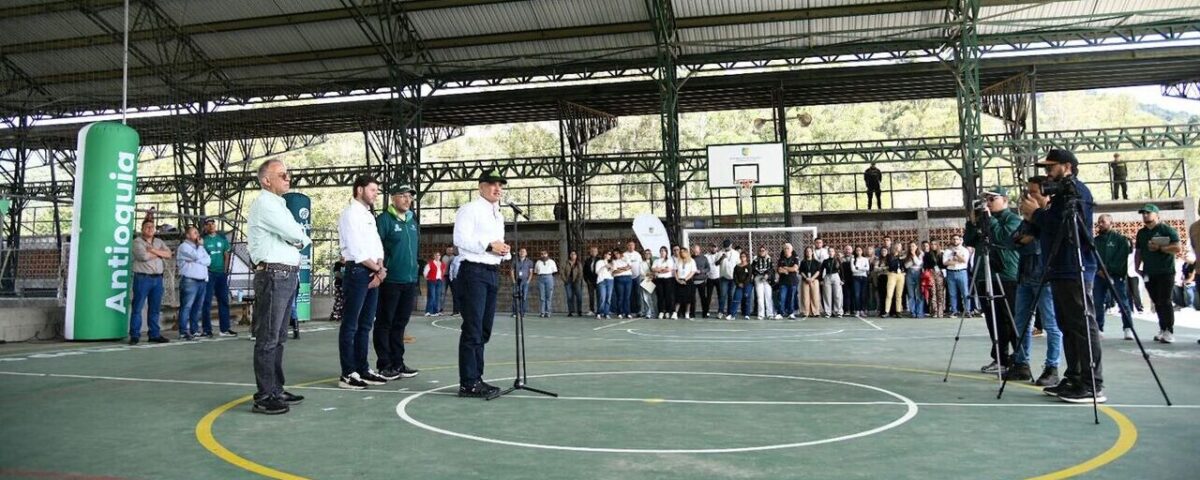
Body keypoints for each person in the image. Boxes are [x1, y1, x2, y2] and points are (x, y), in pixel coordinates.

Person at [1021, 149, 1104, 403]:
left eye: (1051, 166)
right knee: (1068, 325)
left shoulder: (1077, 192)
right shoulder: (1060, 196)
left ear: (1067, 166)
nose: (1047, 171)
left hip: (1074, 266)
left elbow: (1067, 227)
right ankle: (1074, 376)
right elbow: (1050, 227)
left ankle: (1092, 383)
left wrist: (1036, 213)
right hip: (1059, 268)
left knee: (1081, 324)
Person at [247, 159, 311, 414]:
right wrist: (296, 238)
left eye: (288, 174)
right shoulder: (265, 203)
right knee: (269, 337)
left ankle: (275, 388)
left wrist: (295, 237)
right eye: (282, 174)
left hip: (285, 275)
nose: (288, 178)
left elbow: (295, 234)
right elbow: (297, 235)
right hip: (274, 274)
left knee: (279, 337)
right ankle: (264, 395)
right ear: (266, 180)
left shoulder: (279, 204)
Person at [452, 169, 512, 398]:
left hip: (492, 272)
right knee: (473, 328)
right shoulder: (469, 210)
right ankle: (468, 382)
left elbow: (498, 244)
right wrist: (489, 246)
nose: (498, 189)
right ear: (481, 186)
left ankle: (477, 377)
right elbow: (460, 239)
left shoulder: (499, 214)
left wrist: (503, 251)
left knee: (484, 329)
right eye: (492, 184)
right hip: (474, 272)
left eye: (501, 185)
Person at [1009, 176, 1063, 386]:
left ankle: (1052, 367)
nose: (1028, 197)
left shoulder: (1050, 218)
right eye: (1027, 193)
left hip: (1046, 279)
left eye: (1034, 193)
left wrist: (1028, 237)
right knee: (1021, 323)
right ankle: (1021, 363)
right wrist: (1026, 237)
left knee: (1051, 325)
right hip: (1025, 277)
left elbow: (1036, 241)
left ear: (1047, 195)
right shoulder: (1026, 221)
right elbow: (1013, 241)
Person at [336, 175, 389, 390]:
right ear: (359, 190)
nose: (376, 193)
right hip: (358, 271)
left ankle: (362, 368)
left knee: (366, 324)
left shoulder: (368, 215)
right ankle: (348, 373)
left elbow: (376, 246)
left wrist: (380, 268)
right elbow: (357, 250)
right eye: (372, 189)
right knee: (351, 324)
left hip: (372, 271)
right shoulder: (350, 214)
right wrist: (378, 269)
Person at [965, 186, 1021, 375]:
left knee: (1010, 318)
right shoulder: (984, 218)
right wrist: (973, 223)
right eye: (986, 200)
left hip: (1006, 274)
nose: (987, 203)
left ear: (1004, 200)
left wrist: (990, 220)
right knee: (993, 319)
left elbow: (1004, 238)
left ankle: (1020, 360)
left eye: (992, 199)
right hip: (984, 273)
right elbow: (970, 241)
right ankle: (1000, 358)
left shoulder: (1012, 219)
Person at [375, 185, 421, 381]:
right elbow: (375, 247)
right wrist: (380, 270)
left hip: (409, 280)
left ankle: (398, 362)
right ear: (393, 198)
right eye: (403, 196)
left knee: (401, 323)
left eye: (409, 196)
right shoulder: (384, 220)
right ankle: (384, 364)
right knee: (385, 322)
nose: (407, 199)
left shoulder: (412, 221)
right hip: (390, 279)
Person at [1134, 203, 1182, 344]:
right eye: (1143, 213)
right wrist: (1137, 267)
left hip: (1166, 271)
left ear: (1156, 214)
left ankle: (1169, 330)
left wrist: (1160, 248)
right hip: (1149, 272)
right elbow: (1139, 251)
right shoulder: (1141, 233)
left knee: (1165, 300)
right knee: (1156, 301)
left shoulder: (1167, 229)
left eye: (1148, 212)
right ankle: (1162, 328)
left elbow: (1177, 248)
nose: (1145, 215)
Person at [130, 219, 172, 345]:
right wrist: (160, 254)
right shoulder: (137, 242)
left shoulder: (159, 241)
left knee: (155, 308)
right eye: (147, 227)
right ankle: (135, 335)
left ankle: (154, 334)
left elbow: (169, 254)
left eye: (152, 227)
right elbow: (143, 257)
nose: (150, 229)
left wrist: (153, 251)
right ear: (142, 229)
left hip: (157, 278)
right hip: (143, 278)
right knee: (137, 308)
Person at [1093, 214, 1135, 340]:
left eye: (1103, 221)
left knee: (1123, 302)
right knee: (1097, 302)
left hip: (1116, 276)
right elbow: (1091, 258)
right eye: (1099, 221)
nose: (1100, 224)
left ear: (1111, 223)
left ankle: (1128, 328)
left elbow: (1121, 258)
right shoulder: (1095, 241)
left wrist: (1108, 269)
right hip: (1099, 277)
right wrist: (1098, 270)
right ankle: (1099, 328)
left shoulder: (1120, 239)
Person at [202, 218, 236, 337]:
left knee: (224, 300)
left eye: (213, 224)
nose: (211, 226)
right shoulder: (203, 241)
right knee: (206, 301)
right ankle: (207, 330)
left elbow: (226, 255)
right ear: (205, 227)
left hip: (221, 273)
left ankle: (224, 329)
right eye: (208, 224)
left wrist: (225, 271)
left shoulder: (222, 239)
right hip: (209, 273)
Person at [176, 225, 210, 341]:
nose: (197, 235)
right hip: (190, 280)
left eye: (197, 232)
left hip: (202, 280)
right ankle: (183, 331)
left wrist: (198, 259)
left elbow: (208, 260)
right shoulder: (184, 247)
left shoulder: (199, 247)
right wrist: (200, 251)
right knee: (186, 306)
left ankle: (194, 330)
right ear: (187, 235)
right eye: (194, 232)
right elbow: (196, 256)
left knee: (197, 307)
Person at [942, 235, 969, 316]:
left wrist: (956, 255)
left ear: (960, 241)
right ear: (951, 240)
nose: (955, 241)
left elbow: (964, 261)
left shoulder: (965, 250)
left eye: (957, 239)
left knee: (965, 292)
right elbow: (945, 263)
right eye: (953, 239)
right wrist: (957, 261)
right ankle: (954, 310)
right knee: (952, 293)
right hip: (950, 273)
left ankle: (967, 310)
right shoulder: (947, 251)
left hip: (962, 272)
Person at [751, 246, 777, 319]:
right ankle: (761, 314)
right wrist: (758, 274)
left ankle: (770, 313)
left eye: (763, 250)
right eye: (760, 250)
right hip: (758, 278)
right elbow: (753, 269)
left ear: (766, 251)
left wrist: (767, 275)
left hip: (767, 279)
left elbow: (771, 269)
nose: (762, 252)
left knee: (768, 296)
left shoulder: (769, 259)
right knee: (760, 297)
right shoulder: (755, 259)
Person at [776, 244, 800, 318]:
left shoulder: (795, 259)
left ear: (791, 250)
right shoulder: (781, 259)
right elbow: (779, 270)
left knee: (792, 298)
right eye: (785, 248)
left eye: (788, 248)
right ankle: (780, 313)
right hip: (783, 282)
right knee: (781, 297)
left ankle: (791, 313)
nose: (786, 249)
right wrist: (789, 269)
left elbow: (795, 269)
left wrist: (785, 268)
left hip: (793, 282)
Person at [652, 246, 675, 319]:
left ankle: (668, 312)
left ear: (666, 252)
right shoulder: (656, 261)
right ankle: (661, 312)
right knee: (660, 296)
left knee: (668, 296)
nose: (662, 252)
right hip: (659, 280)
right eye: (661, 251)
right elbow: (653, 269)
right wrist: (662, 269)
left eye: (664, 251)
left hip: (668, 279)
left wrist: (659, 269)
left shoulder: (670, 260)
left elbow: (669, 269)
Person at [716, 240, 738, 317]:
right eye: (725, 246)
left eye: (728, 246)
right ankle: (721, 311)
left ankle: (729, 312)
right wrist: (722, 258)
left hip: (733, 278)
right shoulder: (720, 253)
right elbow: (716, 263)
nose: (726, 248)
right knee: (723, 295)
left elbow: (738, 265)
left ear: (731, 245)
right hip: (723, 277)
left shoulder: (735, 253)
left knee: (731, 295)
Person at [903, 242, 925, 319]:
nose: (911, 247)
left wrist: (914, 256)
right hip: (909, 273)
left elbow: (919, 263)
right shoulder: (907, 254)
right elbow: (906, 265)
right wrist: (912, 260)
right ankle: (912, 312)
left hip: (918, 273)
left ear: (916, 247)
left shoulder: (921, 254)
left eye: (913, 246)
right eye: (910, 246)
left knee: (919, 294)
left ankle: (919, 312)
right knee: (911, 294)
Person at [882, 244, 905, 318]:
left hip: (901, 275)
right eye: (896, 247)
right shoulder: (889, 256)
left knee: (899, 294)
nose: (898, 248)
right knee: (889, 294)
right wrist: (898, 258)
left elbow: (903, 265)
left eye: (899, 247)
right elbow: (891, 265)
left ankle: (898, 311)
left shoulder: (902, 256)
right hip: (892, 274)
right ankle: (886, 311)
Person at [610, 247, 633, 319]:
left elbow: (630, 266)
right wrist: (624, 268)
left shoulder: (626, 258)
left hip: (628, 278)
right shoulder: (614, 261)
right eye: (615, 254)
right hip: (619, 279)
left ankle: (628, 313)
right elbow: (614, 271)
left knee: (627, 297)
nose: (616, 255)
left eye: (617, 253)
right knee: (620, 297)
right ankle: (619, 312)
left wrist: (620, 269)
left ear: (620, 253)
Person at [798, 246, 821, 318]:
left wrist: (812, 278)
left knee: (815, 296)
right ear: (805, 253)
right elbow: (801, 271)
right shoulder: (803, 262)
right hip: (805, 281)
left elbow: (818, 271)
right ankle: (806, 312)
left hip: (814, 280)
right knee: (805, 297)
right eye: (807, 251)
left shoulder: (816, 262)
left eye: (810, 251)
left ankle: (815, 312)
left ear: (812, 252)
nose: (808, 252)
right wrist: (806, 278)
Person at [674, 248, 697, 319]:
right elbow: (675, 271)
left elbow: (693, 271)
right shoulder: (678, 260)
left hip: (688, 281)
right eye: (681, 252)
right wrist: (677, 280)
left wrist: (685, 279)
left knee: (688, 299)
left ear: (687, 252)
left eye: (684, 252)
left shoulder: (692, 261)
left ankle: (687, 313)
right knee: (678, 298)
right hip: (679, 281)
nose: (682, 253)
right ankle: (675, 313)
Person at [534, 250, 558, 317]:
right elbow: (536, 271)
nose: (543, 255)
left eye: (544, 254)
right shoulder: (538, 262)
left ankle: (548, 311)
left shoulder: (551, 262)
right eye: (541, 254)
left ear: (547, 254)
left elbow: (555, 271)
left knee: (549, 295)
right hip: (541, 277)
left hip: (549, 277)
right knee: (542, 296)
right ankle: (542, 312)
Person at [820, 247, 843, 317]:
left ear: (834, 252)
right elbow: (821, 270)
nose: (831, 253)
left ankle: (838, 312)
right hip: (827, 277)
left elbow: (841, 270)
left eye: (832, 251)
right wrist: (821, 279)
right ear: (828, 253)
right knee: (827, 295)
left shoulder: (837, 260)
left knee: (837, 295)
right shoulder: (825, 261)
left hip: (836, 276)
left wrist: (842, 279)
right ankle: (828, 312)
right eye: (829, 251)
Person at [730, 251, 753, 320]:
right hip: (739, 285)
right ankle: (732, 314)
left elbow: (749, 276)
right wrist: (738, 283)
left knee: (746, 298)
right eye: (741, 256)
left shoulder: (749, 266)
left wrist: (744, 284)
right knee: (736, 298)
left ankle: (747, 314)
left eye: (744, 256)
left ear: (746, 258)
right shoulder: (737, 266)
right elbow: (735, 276)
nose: (742, 258)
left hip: (747, 284)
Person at [510, 248, 533, 317]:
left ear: (526, 253)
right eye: (521, 251)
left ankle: (522, 312)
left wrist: (528, 281)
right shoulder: (515, 261)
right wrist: (513, 280)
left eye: (524, 251)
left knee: (524, 297)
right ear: (519, 253)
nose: (522, 252)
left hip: (525, 281)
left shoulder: (529, 262)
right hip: (516, 281)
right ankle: (515, 312)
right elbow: (511, 271)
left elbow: (531, 272)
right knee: (515, 297)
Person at [926, 241, 946, 318]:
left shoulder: (941, 254)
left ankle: (940, 312)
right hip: (931, 274)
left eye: (935, 244)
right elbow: (925, 265)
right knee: (933, 293)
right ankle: (934, 311)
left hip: (939, 274)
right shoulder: (927, 254)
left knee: (940, 293)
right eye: (931, 244)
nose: (933, 246)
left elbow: (944, 265)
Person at [697, 244, 717, 317]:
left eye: (714, 247)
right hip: (709, 278)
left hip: (718, 277)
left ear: (717, 248)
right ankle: (707, 311)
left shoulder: (719, 255)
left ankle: (720, 312)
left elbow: (716, 264)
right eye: (711, 247)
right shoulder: (706, 256)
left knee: (721, 295)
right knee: (708, 296)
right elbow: (707, 267)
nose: (713, 248)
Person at [623, 241, 643, 317]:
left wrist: (641, 275)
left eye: (632, 245)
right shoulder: (624, 255)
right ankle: (629, 311)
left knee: (637, 294)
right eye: (629, 245)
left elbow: (640, 265)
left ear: (634, 246)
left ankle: (638, 311)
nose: (631, 246)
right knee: (628, 295)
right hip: (628, 277)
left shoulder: (637, 254)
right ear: (627, 246)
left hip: (637, 277)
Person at [562, 251, 584, 317]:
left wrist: (577, 280)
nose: (573, 255)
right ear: (570, 255)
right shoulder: (566, 263)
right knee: (569, 297)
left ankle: (579, 311)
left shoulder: (578, 263)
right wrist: (565, 280)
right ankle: (570, 311)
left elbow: (580, 273)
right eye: (571, 254)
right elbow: (562, 272)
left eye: (574, 254)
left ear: (576, 256)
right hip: (568, 281)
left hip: (577, 281)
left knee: (579, 296)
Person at [424, 252, 446, 317]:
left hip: (439, 281)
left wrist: (441, 278)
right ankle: (428, 311)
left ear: (440, 256)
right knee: (432, 296)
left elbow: (443, 272)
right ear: (434, 256)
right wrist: (427, 278)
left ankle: (435, 311)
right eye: (436, 255)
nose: (437, 256)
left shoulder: (442, 264)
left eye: (439, 255)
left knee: (437, 296)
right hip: (431, 281)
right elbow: (425, 272)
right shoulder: (430, 263)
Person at [850, 246, 870, 316]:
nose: (858, 252)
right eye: (857, 250)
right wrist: (862, 268)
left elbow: (867, 268)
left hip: (864, 278)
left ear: (862, 251)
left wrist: (858, 268)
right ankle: (857, 310)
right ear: (855, 251)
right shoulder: (853, 259)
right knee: (857, 295)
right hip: (856, 278)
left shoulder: (865, 259)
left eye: (860, 250)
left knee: (863, 295)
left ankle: (862, 310)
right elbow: (853, 270)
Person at [594, 251, 614, 319]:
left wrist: (611, 268)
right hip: (602, 280)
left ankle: (606, 313)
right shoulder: (599, 262)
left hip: (610, 280)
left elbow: (613, 272)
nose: (609, 255)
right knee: (602, 297)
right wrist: (604, 266)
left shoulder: (611, 263)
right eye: (608, 254)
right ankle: (599, 312)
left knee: (608, 298)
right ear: (605, 254)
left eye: (610, 254)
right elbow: (597, 272)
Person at [582, 246, 600, 315]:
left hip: (598, 280)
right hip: (590, 281)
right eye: (592, 251)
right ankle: (591, 310)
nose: (593, 252)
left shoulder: (599, 260)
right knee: (591, 296)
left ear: (597, 252)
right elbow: (584, 271)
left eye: (595, 251)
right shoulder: (587, 260)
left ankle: (599, 310)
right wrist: (586, 280)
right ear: (590, 252)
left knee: (599, 295)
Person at [640, 249, 657, 319]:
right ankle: (648, 313)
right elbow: (642, 273)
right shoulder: (642, 263)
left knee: (654, 298)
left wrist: (653, 275)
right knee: (646, 298)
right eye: (646, 253)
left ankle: (654, 312)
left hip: (654, 280)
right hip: (646, 280)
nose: (647, 254)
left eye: (648, 253)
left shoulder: (654, 262)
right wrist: (650, 275)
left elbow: (656, 271)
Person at [441, 246, 457, 315]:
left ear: (453, 251)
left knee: (455, 294)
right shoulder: (443, 257)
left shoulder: (455, 258)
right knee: (442, 293)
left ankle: (456, 311)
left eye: (451, 250)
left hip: (453, 277)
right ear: (446, 250)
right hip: (444, 277)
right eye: (448, 250)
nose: (450, 251)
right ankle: (440, 310)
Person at [330, 258, 346, 322]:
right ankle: (335, 315)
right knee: (339, 300)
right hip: (339, 284)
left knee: (345, 300)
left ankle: (342, 315)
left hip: (346, 284)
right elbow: (337, 274)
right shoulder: (338, 264)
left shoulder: (349, 264)